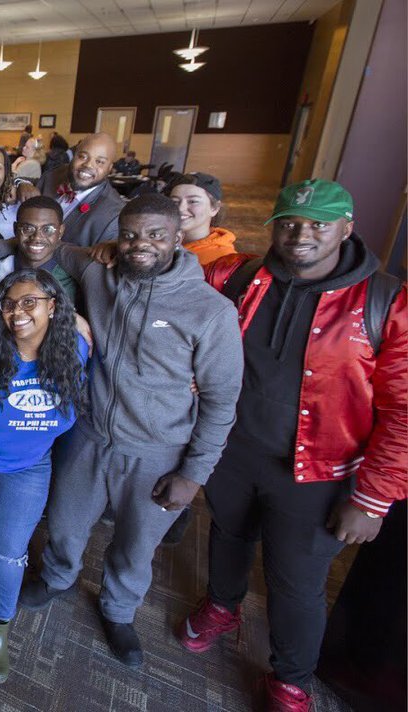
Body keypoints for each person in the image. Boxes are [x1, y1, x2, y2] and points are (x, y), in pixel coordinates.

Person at [184, 180, 406, 711]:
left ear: (346, 228)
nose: (300, 234)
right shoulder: (239, 275)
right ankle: (222, 605)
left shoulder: (385, 302)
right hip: (235, 449)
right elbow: (167, 268)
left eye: (317, 224)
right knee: (228, 535)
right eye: (288, 222)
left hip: (320, 471)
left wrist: (373, 499)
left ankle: (290, 677)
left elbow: (402, 412)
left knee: (296, 581)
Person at [19, 194, 244, 669]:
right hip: (90, 435)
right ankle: (57, 579)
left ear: (178, 239)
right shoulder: (100, 273)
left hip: (158, 451)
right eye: (131, 235)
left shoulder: (210, 310)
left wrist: (194, 474)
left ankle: (118, 611)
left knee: (136, 545)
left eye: (155, 235)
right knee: (63, 523)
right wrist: (100, 246)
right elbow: (54, 247)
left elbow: (223, 401)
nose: (141, 245)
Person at [0, 268, 89, 683]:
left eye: (30, 302)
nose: (17, 312)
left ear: (53, 306)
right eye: (9, 304)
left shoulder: (75, 348)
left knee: (8, 549)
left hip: (29, 464)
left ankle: (0, 628)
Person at [0, 196, 78, 297]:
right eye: (28, 228)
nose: (37, 238)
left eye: (48, 229)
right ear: (15, 229)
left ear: (60, 232)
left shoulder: (71, 277)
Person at [36, 132, 126, 247]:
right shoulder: (54, 175)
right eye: (82, 156)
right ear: (73, 156)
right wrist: (22, 183)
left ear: (110, 168)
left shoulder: (113, 215)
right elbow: (32, 182)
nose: (88, 165)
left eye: (99, 162)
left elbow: (95, 263)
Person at [165, 172, 237, 265]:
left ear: (214, 208)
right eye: (175, 201)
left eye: (193, 201)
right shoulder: (159, 243)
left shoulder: (223, 261)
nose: (180, 208)